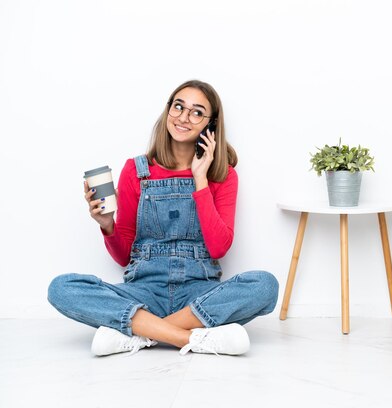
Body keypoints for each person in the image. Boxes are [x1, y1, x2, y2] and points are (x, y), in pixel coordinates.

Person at [48, 80, 279, 356]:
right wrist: (107, 224)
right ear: (168, 110)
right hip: (144, 291)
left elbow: (219, 247)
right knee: (61, 288)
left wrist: (200, 179)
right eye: (178, 106)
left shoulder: (223, 176)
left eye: (196, 112)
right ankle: (191, 338)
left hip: (198, 294)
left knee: (265, 285)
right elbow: (124, 257)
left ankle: (142, 334)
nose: (183, 117)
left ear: (211, 124)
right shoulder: (136, 170)